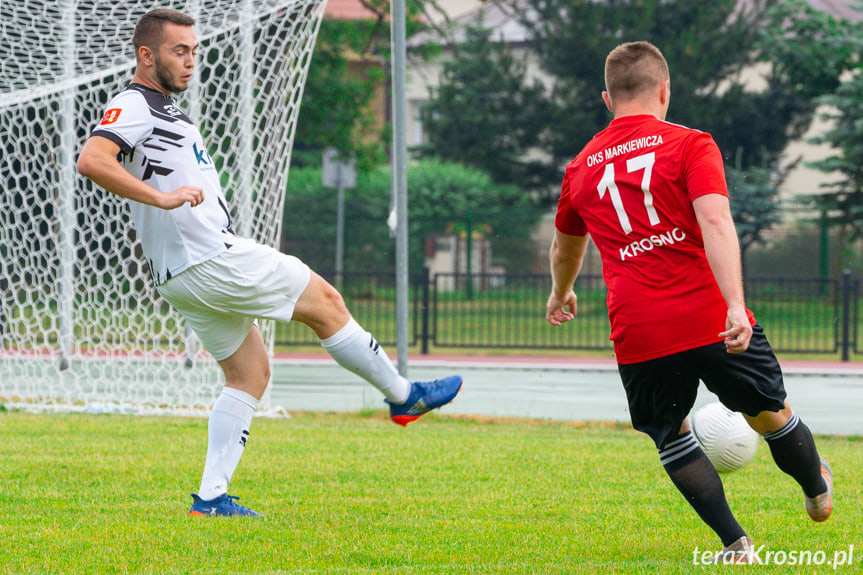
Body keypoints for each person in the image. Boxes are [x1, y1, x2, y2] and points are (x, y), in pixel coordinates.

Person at [77, 8, 462, 518]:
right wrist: (160, 199)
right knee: (326, 301)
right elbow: (92, 160)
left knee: (249, 374)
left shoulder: (165, 109)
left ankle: (211, 498)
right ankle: (403, 394)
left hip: (180, 274)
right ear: (146, 55)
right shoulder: (135, 103)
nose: (191, 61)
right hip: (208, 258)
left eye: (195, 50)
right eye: (179, 51)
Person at [546, 41, 832, 563]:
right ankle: (816, 491)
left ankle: (735, 543)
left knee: (670, 435)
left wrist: (560, 292)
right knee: (770, 413)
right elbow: (716, 222)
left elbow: (566, 245)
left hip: (640, 330)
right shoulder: (691, 144)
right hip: (707, 317)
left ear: (607, 99)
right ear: (665, 89)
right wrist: (734, 304)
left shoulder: (580, 167)